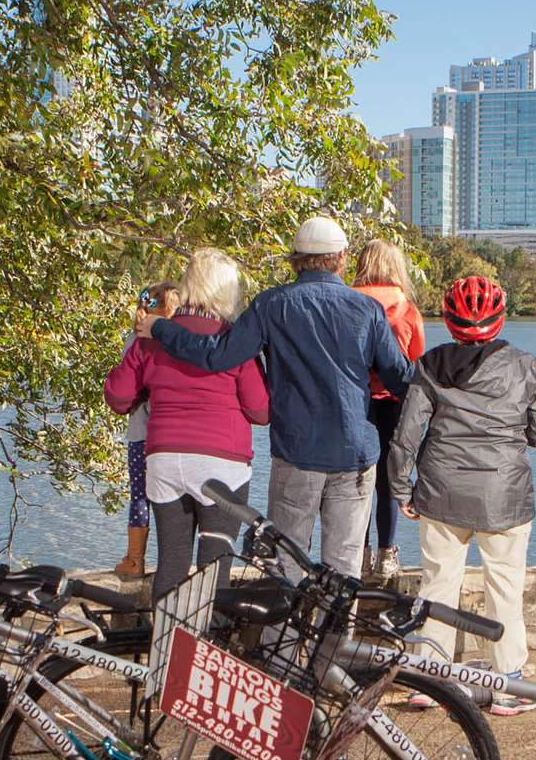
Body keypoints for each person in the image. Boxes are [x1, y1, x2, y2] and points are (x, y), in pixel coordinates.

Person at [137, 216, 414, 579]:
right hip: (354, 455)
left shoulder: (271, 305)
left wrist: (161, 328)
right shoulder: (367, 311)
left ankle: (285, 636)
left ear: (295, 259)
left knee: (288, 564)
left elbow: (216, 354)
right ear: (342, 257)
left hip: (296, 453)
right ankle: (336, 638)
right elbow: (400, 379)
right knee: (344, 572)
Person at [385, 276, 536, 715]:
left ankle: (429, 680)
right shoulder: (526, 366)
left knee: (439, 584)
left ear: (449, 320)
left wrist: (403, 487)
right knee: (505, 587)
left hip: (441, 492)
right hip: (505, 495)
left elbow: (406, 437)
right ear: (499, 319)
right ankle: (508, 685)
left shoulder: (429, 365)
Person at [105, 252, 270, 597]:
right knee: (215, 573)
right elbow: (260, 411)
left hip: (165, 462)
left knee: (172, 564)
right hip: (223, 467)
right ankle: (205, 648)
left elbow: (118, 398)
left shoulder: (152, 337)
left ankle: (163, 647)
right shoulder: (232, 342)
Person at [351, 239, 426, 584]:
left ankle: (359, 554)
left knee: (357, 480)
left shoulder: (348, 304)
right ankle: (387, 554)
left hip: (356, 402)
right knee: (387, 480)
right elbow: (416, 361)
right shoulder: (406, 308)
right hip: (394, 404)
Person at [113, 282, 181, 578]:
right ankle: (173, 562)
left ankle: (134, 559)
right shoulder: (176, 341)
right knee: (175, 500)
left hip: (140, 433)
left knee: (139, 496)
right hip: (169, 434)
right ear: (170, 311)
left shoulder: (134, 340)